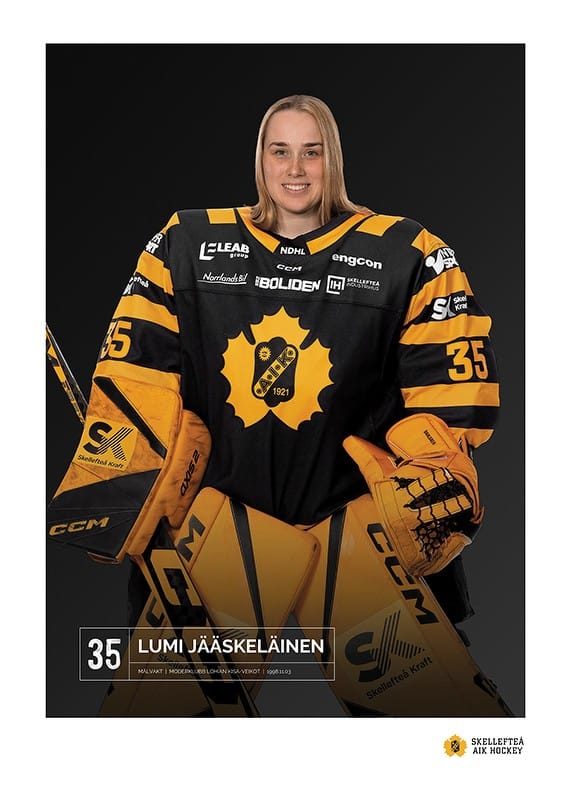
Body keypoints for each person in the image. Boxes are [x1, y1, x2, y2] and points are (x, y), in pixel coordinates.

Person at [47, 95, 509, 717]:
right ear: (260, 160)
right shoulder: (185, 243)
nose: (295, 169)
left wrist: (440, 471)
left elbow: (453, 389)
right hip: (215, 526)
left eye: (311, 152)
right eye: (280, 151)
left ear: (332, 160)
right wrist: (123, 484)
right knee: (155, 738)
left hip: (357, 530)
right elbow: (134, 375)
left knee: (443, 734)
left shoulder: (409, 253)